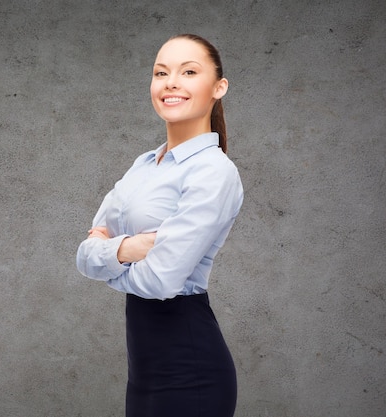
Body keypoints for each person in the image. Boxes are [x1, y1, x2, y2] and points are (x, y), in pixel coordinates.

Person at [76, 33, 243, 417]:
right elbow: (84, 256)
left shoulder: (213, 171)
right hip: (144, 372)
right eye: (161, 72)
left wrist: (108, 259)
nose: (171, 82)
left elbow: (160, 282)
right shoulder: (143, 165)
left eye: (188, 71)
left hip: (191, 368)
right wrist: (130, 249)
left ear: (219, 87)